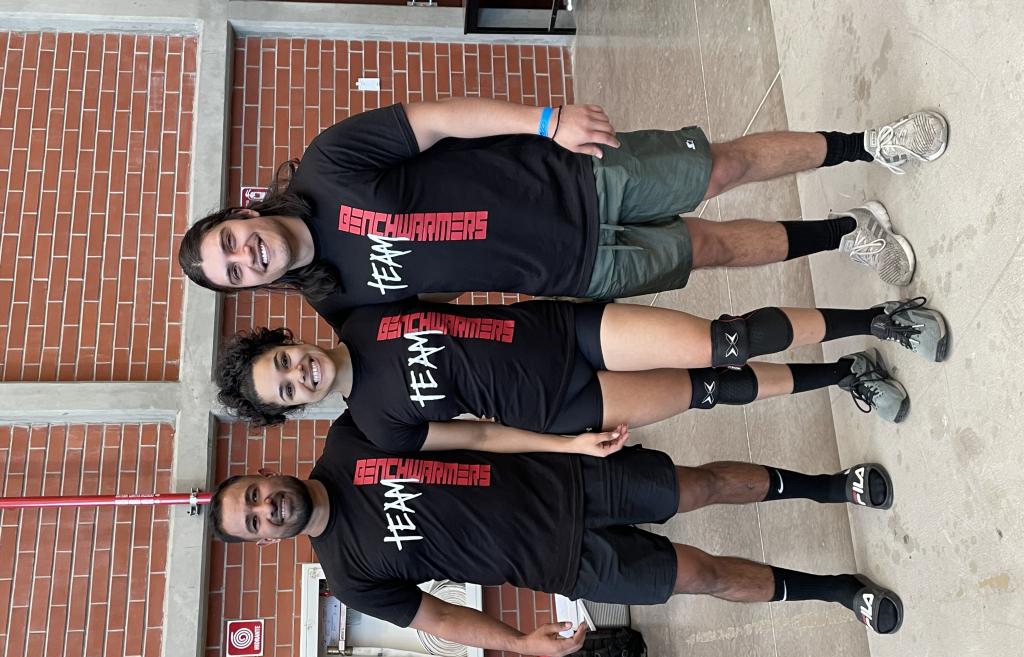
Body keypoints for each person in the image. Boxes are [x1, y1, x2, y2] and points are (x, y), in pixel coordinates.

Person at [178, 98, 948, 325]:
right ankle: (850, 231)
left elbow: (437, 120)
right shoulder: (339, 303)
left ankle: (870, 145)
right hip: (574, 269)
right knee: (709, 248)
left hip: (573, 178)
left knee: (720, 169)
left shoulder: (328, 163)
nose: (245, 255)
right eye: (233, 272)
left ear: (240, 214)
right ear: (250, 287)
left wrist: (545, 122)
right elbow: (441, 311)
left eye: (230, 242)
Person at [207, 414, 904, 657]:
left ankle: (830, 484)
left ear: (264, 473)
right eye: (254, 521)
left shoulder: (351, 437)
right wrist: (517, 642)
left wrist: (566, 442)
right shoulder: (350, 576)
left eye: (254, 495)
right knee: (702, 574)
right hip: (563, 561)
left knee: (700, 485)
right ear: (266, 541)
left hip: (567, 479)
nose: (267, 509)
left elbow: (476, 433)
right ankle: (840, 592)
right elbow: (440, 618)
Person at [216, 296, 948, 451]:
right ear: (295, 407)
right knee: (709, 388)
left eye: (283, 361)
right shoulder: (377, 425)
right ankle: (845, 375)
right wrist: (565, 445)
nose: (299, 374)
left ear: (289, 339)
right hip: (567, 403)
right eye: (288, 390)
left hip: (563, 330)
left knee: (724, 343)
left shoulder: (364, 312)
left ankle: (880, 319)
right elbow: (479, 439)